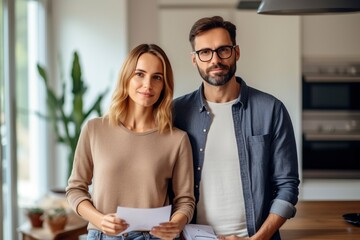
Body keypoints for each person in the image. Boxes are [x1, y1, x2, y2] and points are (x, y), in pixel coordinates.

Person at [173, 16, 300, 240]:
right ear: (194, 59)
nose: (215, 59)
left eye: (223, 50)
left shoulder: (271, 110)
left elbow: (287, 186)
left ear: (236, 52)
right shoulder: (176, 113)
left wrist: (259, 238)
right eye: (205, 52)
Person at [66, 44, 195, 240]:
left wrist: (175, 224)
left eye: (157, 77)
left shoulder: (177, 139)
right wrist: (100, 220)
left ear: (164, 85)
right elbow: (75, 190)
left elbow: (185, 202)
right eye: (140, 74)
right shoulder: (94, 129)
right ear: (126, 77)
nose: (148, 85)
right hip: (102, 235)